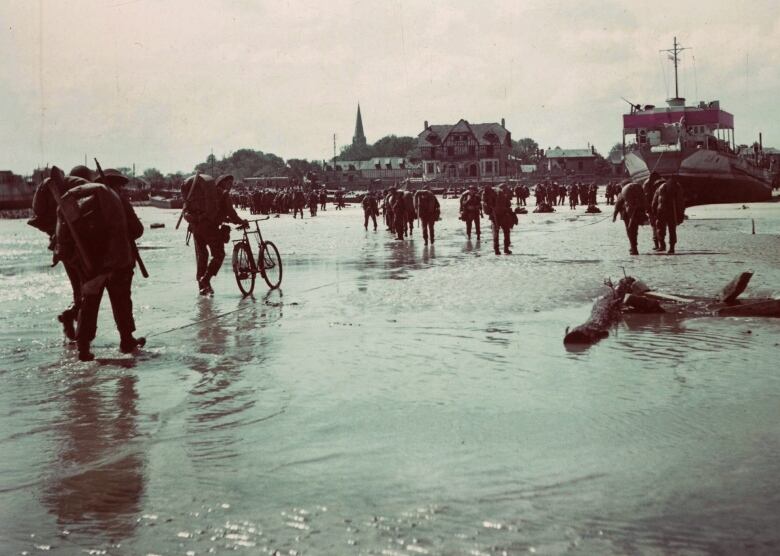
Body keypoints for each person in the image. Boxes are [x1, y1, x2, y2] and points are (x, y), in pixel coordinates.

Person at [56, 168, 145, 361]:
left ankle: (83, 347)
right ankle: (126, 340)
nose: (122, 189)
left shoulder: (81, 202)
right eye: (121, 185)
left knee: (89, 303)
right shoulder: (119, 201)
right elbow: (138, 230)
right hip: (119, 261)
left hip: (91, 263)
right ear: (117, 185)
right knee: (121, 301)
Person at [28, 165, 93, 340]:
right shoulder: (79, 187)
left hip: (62, 247)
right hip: (79, 248)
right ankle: (75, 321)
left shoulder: (57, 190)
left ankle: (72, 318)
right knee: (87, 289)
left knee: (78, 289)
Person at [182, 173, 247, 295]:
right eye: (229, 183)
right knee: (219, 255)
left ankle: (202, 287)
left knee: (202, 257)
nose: (230, 186)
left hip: (196, 227)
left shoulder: (208, 196)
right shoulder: (223, 194)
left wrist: (224, 219)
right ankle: (205, 280)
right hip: (209, 228)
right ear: (222, 183)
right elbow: (231, 213)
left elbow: (217, 212)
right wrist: (241, 221)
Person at [613, 180, 647, 255]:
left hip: (626, 215)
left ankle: (634, 248)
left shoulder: (622, 192)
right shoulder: (637, 190)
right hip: (638, 213)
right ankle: (634, 246)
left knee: (629, 231)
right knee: (634, 229)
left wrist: (614, 216)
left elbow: (618, 204)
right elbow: (644, 200)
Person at [652, 177, 685, 254]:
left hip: (661, 211)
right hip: (673, 212)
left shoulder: (659, 189)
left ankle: (662, 246)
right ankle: (672, 248)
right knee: (672, 230)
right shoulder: (677, 187)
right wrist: (680, 213)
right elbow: (681, 202)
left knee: (660, 228)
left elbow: (654, 202)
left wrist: (654, 212)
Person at [491, 184, 516, 255]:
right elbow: (508, 204)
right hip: (502, 216)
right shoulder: (503, 195)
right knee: (506, 232)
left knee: (496, 234)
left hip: (495, 216)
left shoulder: (494, 194)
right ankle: (506, 249)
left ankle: (497, 250)